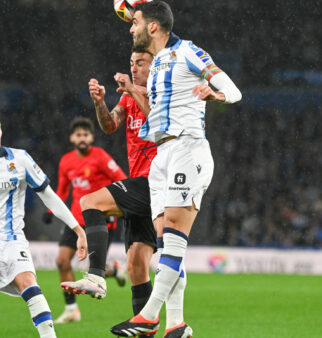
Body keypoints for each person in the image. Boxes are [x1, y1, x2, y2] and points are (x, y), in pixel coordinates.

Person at [109, 1, 242, 337]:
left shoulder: (189, 52)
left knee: (174, 235)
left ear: (153, 27)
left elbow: (234, 90)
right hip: (161, 156)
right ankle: (177, 324)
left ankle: (149, 314)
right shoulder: (155, 65)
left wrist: (215, 94)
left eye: (135, 21)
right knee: (165, 246)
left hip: (188, 148)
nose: (130, 28)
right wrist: (132, 90)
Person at [0, 109, 87, 338]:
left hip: (13, 239)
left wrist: (77, 228)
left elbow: (49, 195)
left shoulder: (19, 159)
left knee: (29, 283)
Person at [61, 47, 158, 333]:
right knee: (136, 265)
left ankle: (96, 276)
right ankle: (147, 329)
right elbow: (109, 125)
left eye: (141, 63)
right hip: (141, 181)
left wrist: (134, 90)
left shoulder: (161, 93)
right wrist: (100, 103)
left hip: (157, 180)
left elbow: (162, 123)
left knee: (90, 201)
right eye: (132, 64)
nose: (135, 68)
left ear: (155, 67)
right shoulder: (128, 97)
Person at [48, 117, 127, 324]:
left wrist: (117, 205)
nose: (82, 138)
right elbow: (63, 189)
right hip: (74, 218)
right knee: (62, 261)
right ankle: (71, 309)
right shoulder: (66, 161)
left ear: (91, 137)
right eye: (78, 135)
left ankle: (115, 270)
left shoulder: (100, 157)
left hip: (99, 218)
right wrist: (50, 211)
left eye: (86, 135)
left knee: (95, 267)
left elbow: (121, 178)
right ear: (72, 138)